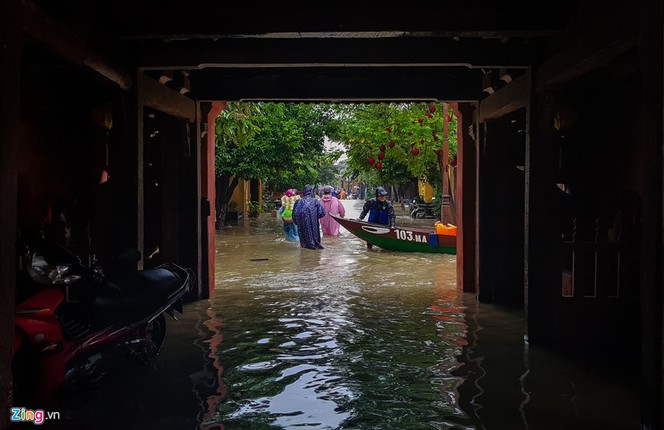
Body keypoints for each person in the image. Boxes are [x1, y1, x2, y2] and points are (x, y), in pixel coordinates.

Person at [292, 184, 326, 249]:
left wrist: (297, 222)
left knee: (304, 245)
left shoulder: (298, 202)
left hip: (302, 225)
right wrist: (314, 216)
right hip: (313, 225)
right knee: (315, 243)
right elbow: (322, 213)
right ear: (311, 191)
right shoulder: (315, 201)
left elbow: (294, 215)